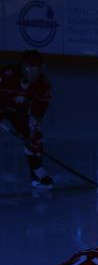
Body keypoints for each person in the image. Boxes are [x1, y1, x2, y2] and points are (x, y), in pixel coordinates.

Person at [0, 50, 53, 189]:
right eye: (30, 69)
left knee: (35, 138)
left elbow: (37, 113)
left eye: (37, 69)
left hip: (19, 112)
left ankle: (37, 172)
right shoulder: (5, 75)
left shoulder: (43, 84)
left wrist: (32, 133)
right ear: (23, 67)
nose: (34, 73)